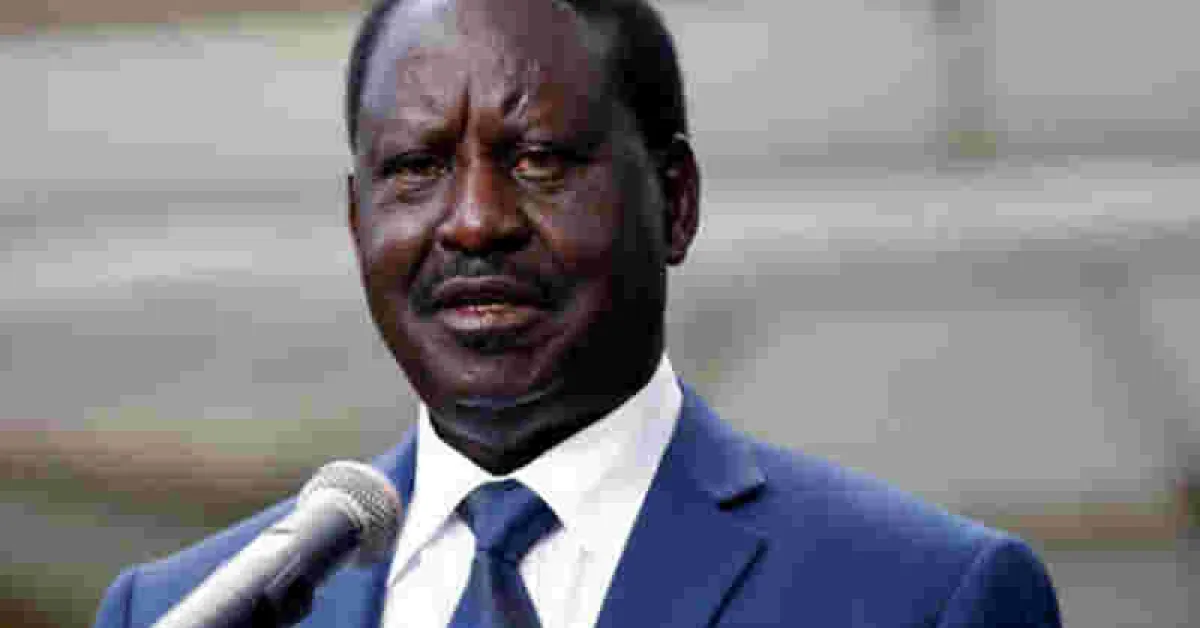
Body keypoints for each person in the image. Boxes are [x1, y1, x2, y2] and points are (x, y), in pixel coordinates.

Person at [94, 0, 1062, 626]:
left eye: (539, 160)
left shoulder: (922, 598)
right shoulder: (184, 611)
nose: (474, 222)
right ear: (357, 224)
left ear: (675, 202)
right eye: (417, 168)